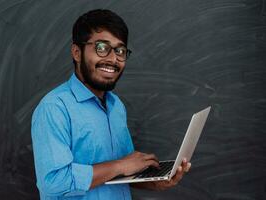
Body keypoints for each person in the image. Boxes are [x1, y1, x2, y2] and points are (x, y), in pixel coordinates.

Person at [31, 9, 191, 200]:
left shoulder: (116, 107)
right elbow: (53, 182)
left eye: (120, 50)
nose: (113, 59)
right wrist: (120, 165)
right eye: (101, 47)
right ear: (76, 52)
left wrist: (155, 182)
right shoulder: (54, 108)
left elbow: (121, 174)